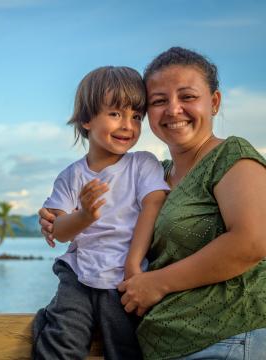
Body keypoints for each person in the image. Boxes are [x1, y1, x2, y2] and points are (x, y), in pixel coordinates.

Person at [39, 47, 266, 359]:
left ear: (214, 102)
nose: (173, 109)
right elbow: (85, 223)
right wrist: (66, 220)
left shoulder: (230, 156)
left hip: (228, 340)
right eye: (159, 101)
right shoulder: (158, 173)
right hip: (164, 344)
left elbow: (251, 242)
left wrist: (154, 282)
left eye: (187, 96)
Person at [32, 66, 169, 360]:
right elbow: (57, 230)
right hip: (78, 275)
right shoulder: (71, 176)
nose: (128, 125)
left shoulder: (142, 164)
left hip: (125, 277)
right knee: (61, 340)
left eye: (136, 116)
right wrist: (84, 217)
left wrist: (133, 265)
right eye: (116, 114)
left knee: (126, 346)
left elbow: (153, 206)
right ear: (85, 119)